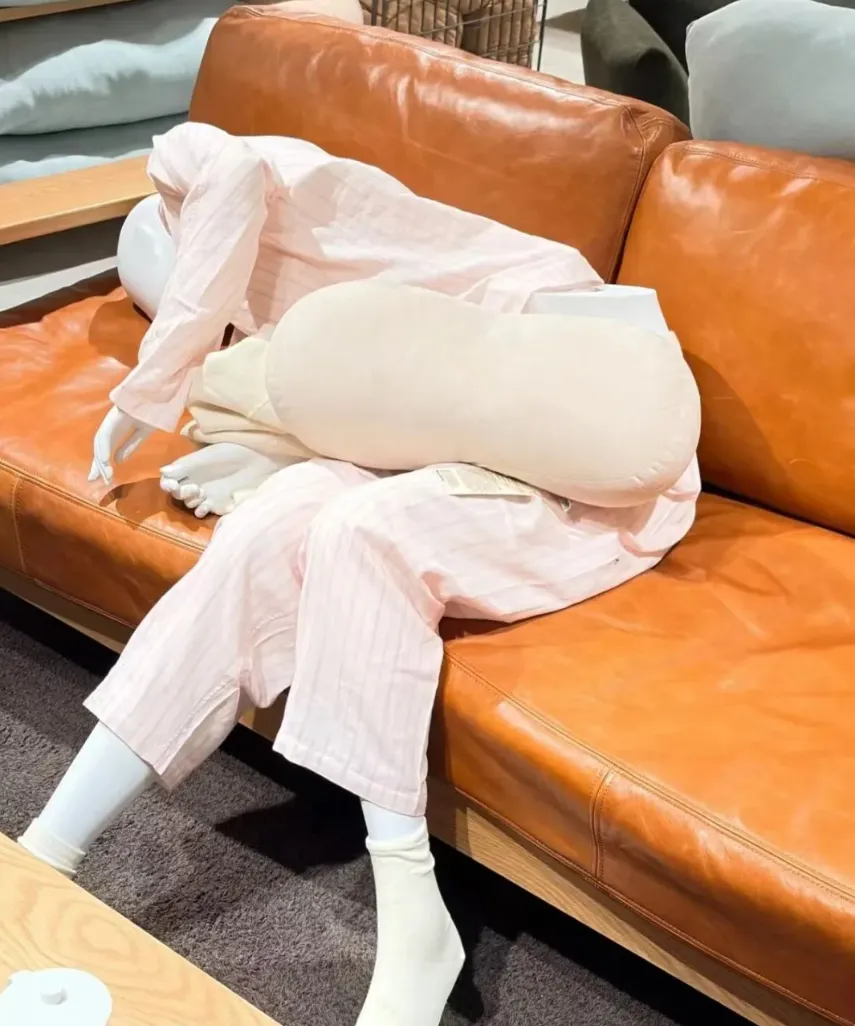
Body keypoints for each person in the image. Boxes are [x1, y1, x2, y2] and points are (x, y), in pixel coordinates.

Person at [19, 123, 701, 1026]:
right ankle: (47, 849)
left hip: (583, 412)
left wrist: (150, 383)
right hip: (440, 438)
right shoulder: (277, 322)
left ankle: (415, 920)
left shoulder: (193, 166)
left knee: (363, 534)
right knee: (264, 532)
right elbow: (366, 395)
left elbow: (229, 176)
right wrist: (264, 456)